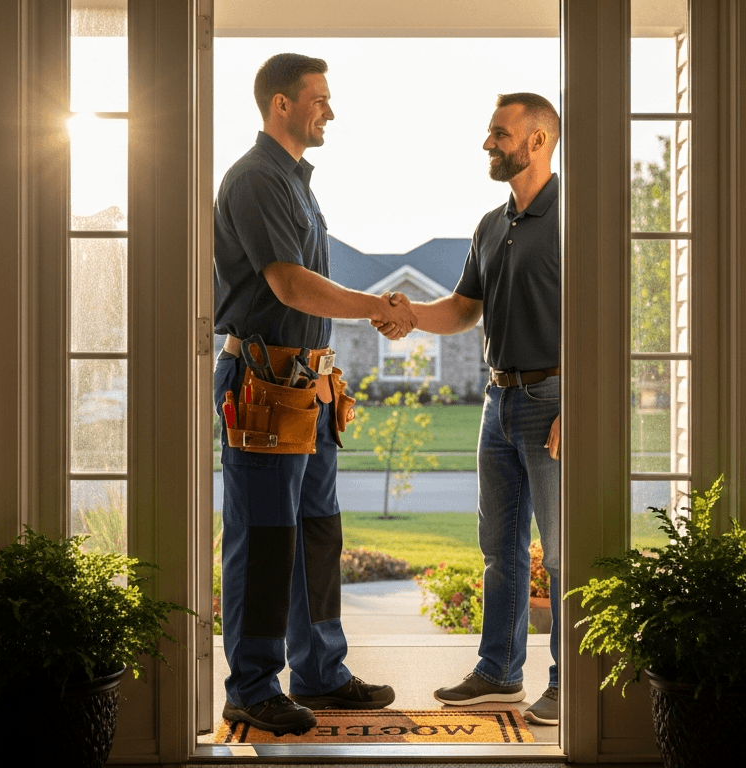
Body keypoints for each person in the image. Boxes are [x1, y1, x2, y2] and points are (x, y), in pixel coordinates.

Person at [213, 52, 416, 736]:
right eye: (318, 99)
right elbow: (290, 285)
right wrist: (378, 305)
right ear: (281, 104)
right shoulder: (255, 179)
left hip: (310, 387)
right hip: (264, 386)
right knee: (265, 540)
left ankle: (321, 671)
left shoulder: (296, 184)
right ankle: (251, 687)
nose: (330, 110)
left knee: (316, 534)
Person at [375, 93, 562, 726]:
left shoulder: (573, 217)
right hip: (498, 400)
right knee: (499, 546)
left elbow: (602, 314)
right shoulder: (490, 224)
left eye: (499, 134)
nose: (488, 144)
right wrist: (405, 315)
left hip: (552, 400)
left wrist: (580, 404)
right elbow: (461, 309)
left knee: (561, 552)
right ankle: (499, 674)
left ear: (537, 141)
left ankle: (569, 683)